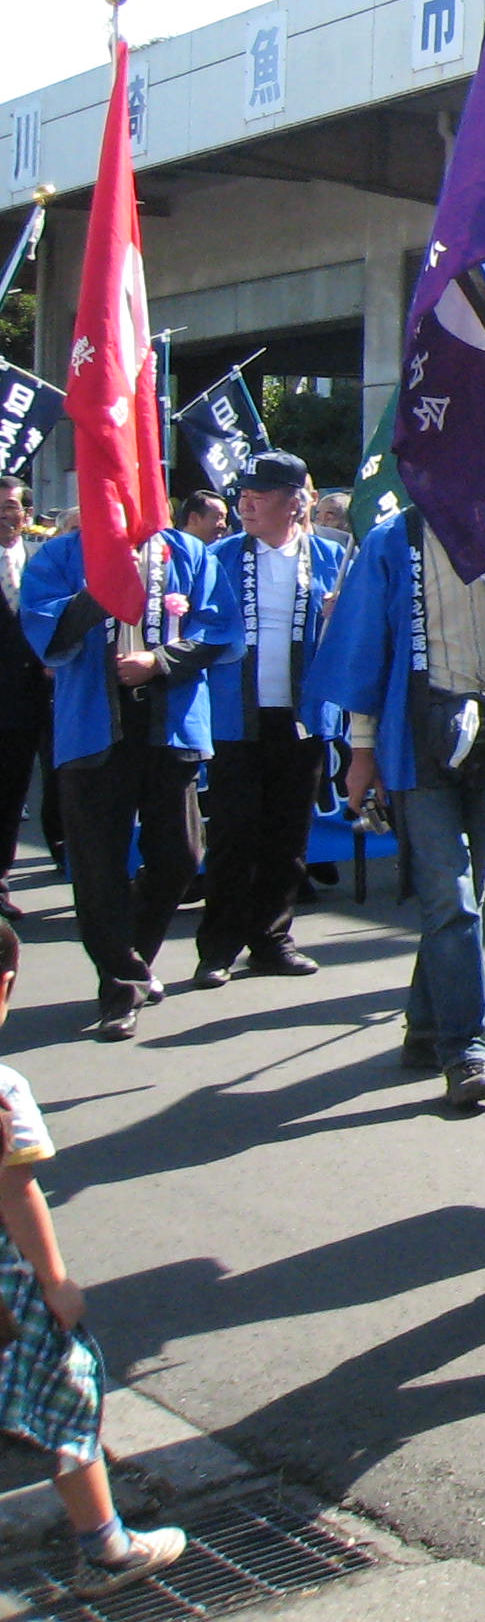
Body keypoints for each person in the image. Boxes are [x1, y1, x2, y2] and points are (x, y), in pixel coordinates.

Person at [308, 490, 485, 1111]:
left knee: (465, 899)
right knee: (450, 897)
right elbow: (363, 653)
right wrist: (362, 751)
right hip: (416, 736)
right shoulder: (390, 540)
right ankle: (465, 1047)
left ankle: (425, 1025)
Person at [0, 921, 187, 1590]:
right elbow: (16, 1193)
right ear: (5, 988)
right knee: (69, 1392)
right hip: (8, 1293)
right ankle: (107, 1548)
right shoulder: (4, 1090)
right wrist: (57, 1282)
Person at [22, 520, 238, 1042]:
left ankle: (133, 957)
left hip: (171, 723)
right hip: (93, 727)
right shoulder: (61, 555)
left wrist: (159, 660)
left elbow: (220, 628)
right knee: (97, 865)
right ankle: (119, 986)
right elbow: (45, 631)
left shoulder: (186, 551)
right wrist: (103, 588)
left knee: (181, 855)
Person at [191, 453, 349, 990]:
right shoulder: (220, 557)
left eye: (261, 494)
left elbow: (357, 635)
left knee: (289, 836)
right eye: (244, 495)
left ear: (295, 502)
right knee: (233, 834)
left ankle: (273, 939)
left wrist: (341, 614)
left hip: (303, 719)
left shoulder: (331, 558)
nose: (246, 504)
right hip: (237, 717)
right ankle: (217, 946)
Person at [0, 480, 53, 924]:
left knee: (14, 790)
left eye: (9, 507)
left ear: (27, 512)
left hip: (36, 693)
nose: (3, 514)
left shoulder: (42, 556)